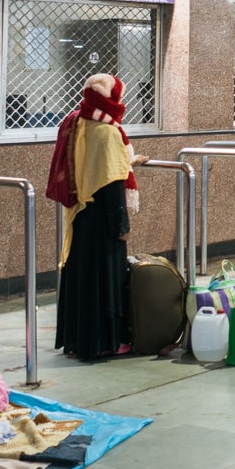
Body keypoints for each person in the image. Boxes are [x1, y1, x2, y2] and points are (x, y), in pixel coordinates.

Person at [52, 73, 142, 361]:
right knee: (105, 279)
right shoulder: (108, 132)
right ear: (111, 97)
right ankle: (105, 341)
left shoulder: (77, 120)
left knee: (81, 278)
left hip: (81, 212)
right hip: (103, 217)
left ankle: (78, 339)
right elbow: (113, 179)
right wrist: (121, 224)